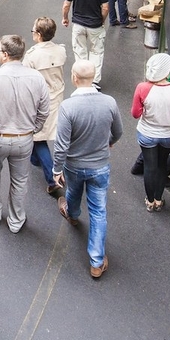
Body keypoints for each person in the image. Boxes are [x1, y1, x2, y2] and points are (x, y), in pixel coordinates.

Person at [0, 34, 50, 234]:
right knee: (20, 181)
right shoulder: (37, 78)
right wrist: (34, 129)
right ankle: (16, 220)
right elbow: (44, 110)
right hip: (24, 139)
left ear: (5, 55)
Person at [53, 60, 122, 279]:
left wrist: (56, 170)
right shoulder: (109, 102)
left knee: (73, 191)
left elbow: (61, 144)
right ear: (93, 78)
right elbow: (118, 132)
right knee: (98, 210)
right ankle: (96, 261)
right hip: (100, 165)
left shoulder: (68, 107)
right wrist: (108, 141)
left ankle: (72, 214)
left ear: (74, 77)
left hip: (74, 165)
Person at [132, 53, 170, 212]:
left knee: (149, 166)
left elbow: (136, 113)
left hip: (147, 133)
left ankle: (149, 201)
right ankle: (158, 199)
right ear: (168, 71)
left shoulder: (143, 88)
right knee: (162, 165)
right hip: (168, 136)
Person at [25, 17, 67, 197]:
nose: (33, 33)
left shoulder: (32, 55)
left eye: (34, 31)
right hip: (57, 96)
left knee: (38, 136)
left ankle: (52, 179)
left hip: (39, 99)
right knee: (51, 132)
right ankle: (35, 159)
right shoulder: (60, 51)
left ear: (39, 35)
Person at [61, 0, 109, 88]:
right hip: (95, 25)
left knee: (80, 51)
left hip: (78, 25)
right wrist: (102, 20)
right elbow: (105, 8)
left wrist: (65, 18)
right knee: (96, 52)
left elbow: (66, 5)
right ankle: (94, 81)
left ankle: (81, 77)